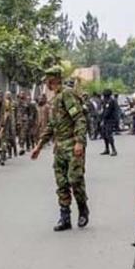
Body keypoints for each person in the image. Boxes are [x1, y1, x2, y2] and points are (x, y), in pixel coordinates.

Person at [31, 67, 89, 231]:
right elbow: (51, 125)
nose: (46, 83)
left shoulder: (67, 94)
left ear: (54, 79)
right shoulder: (55, 99)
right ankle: (65, 217)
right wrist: (39, 146)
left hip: (72, 145)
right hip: (59, 148)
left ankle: (83, 210)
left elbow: (79, 118)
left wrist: (79, 142)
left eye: (47, 80)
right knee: (62, 183)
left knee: (75, 179)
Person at [99, 89, 119, 156]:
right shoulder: (106, 101)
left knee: (108, 135)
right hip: (106, 120)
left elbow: (107, 112)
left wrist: (103, 119)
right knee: (104, 134)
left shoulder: (110, 101)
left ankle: (114, 150)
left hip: (109, 120)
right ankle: (107, 149)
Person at [1, 91, 17, 163]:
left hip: (8, 129)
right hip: (0, 129)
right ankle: (3, 156)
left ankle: (5, 155)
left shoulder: (13, 105)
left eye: (9, 95)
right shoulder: (1, 114)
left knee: (8, 140)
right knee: (1, 143)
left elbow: (14, 116)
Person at [15, 91, 32, 155]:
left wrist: (30, 119)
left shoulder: (27, 103)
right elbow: (15, 112)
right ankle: (21, 145)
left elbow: (30, 112)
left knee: (23, 134)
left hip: (25, 120)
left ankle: (22, 147)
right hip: (18, 121)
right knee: (19, 134)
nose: (22, 95)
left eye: (23, 94)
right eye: (21, 94)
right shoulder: (16, 103)